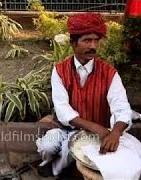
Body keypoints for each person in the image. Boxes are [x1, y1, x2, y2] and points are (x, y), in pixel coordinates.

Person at [36, 13, 134, 177]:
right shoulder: (59, 70)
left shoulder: (109, 73)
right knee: (47, 147)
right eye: (87, 40)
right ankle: (51, 162)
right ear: (73, 43)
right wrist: (94, 126)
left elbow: (122, 106)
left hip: (97, 135)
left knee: (71, 152)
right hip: (65, 129)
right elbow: (62, 109)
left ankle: (57, 168)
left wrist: (115, 133)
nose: (93, 46)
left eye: (96, 40)